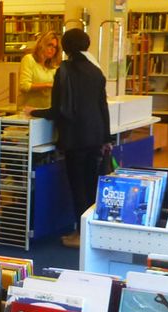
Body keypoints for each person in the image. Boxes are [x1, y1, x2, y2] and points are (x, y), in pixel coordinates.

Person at [29, 28, 111, 248]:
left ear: (65, 48)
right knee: (91, 185)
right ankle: (90, 231)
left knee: (77, 187)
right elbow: (102, 106)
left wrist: (33, 111)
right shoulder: (96, 71)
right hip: (95, 135)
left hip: (75, 137)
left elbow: (59, 109)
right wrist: (106, 137)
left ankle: (80, 235)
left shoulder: (64, 70)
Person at [17, 30, 59, 110]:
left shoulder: (52, 67)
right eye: (50, 45)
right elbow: (24, 86)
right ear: (41, 45)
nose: (52, 49)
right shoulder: (29, 59)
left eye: (55, 47)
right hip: (28, 110)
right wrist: (47, 85)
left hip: (46, 109)